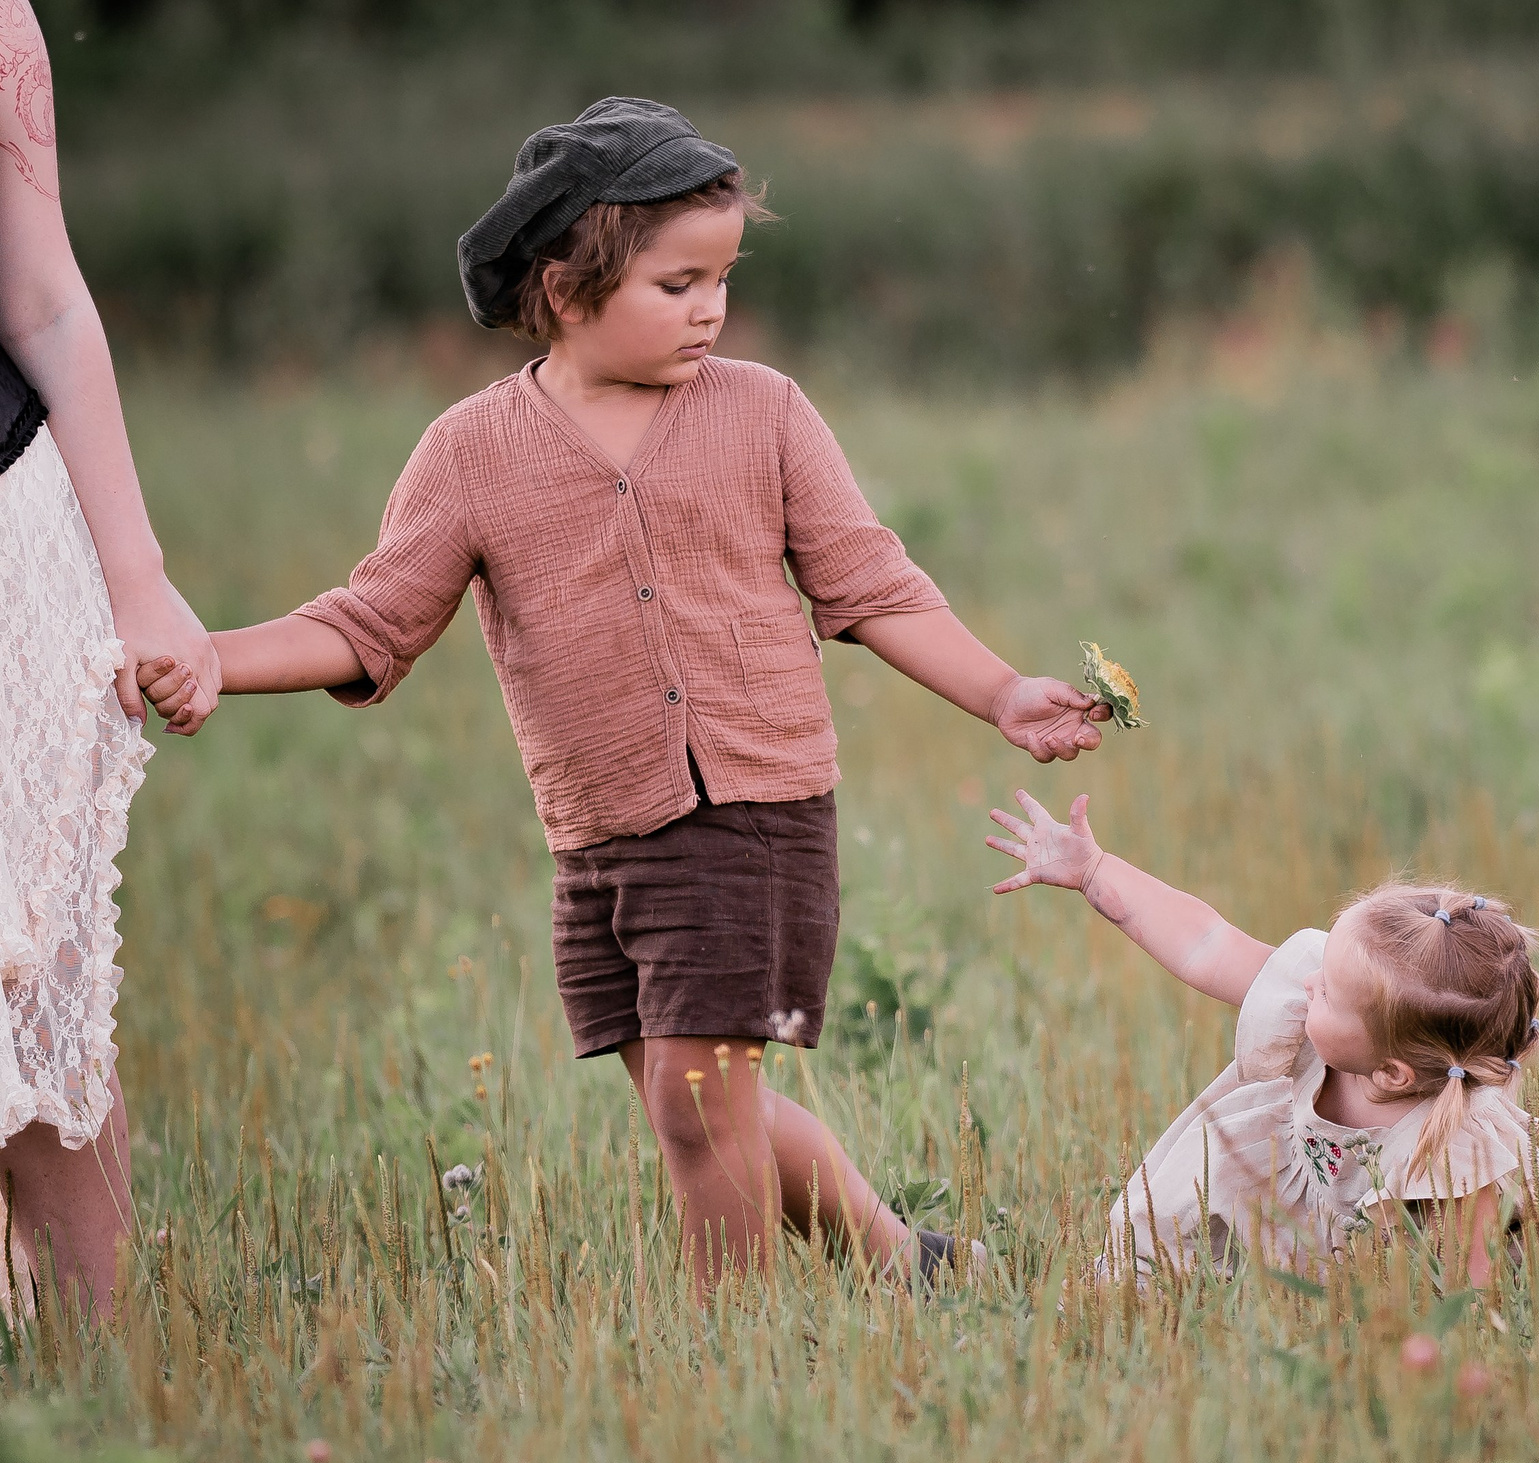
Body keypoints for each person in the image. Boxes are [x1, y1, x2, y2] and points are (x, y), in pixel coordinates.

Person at [146, 99, 1102, 1292]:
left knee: (702, 1108)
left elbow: (871, 586)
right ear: (565, 290)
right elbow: (369, 622)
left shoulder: (764, 412)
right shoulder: (469, 452)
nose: (711, 308)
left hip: (748, 806)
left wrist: (1002, 691)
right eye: (677, 284)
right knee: (693, 1105)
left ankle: (728, 1347)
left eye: (722, 280)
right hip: (597, 831)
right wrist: (211, 654)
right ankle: (908, 1260)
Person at [0, 1, 220, 1324]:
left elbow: (41, 302)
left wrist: (139, 583)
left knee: (34, 964)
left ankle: (99, 1378)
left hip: (8, 538)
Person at [983, 789, 1539, 1289]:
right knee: (1163, 1278)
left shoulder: (1453, 1150)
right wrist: (1093, 871)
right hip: (1272, 1244)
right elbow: (1206, 944)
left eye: (1327, 992)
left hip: (1365, 1292)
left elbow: (1473, 1293)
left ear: (1392, 1073)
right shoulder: (1335, 1017)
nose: (1307, 983)